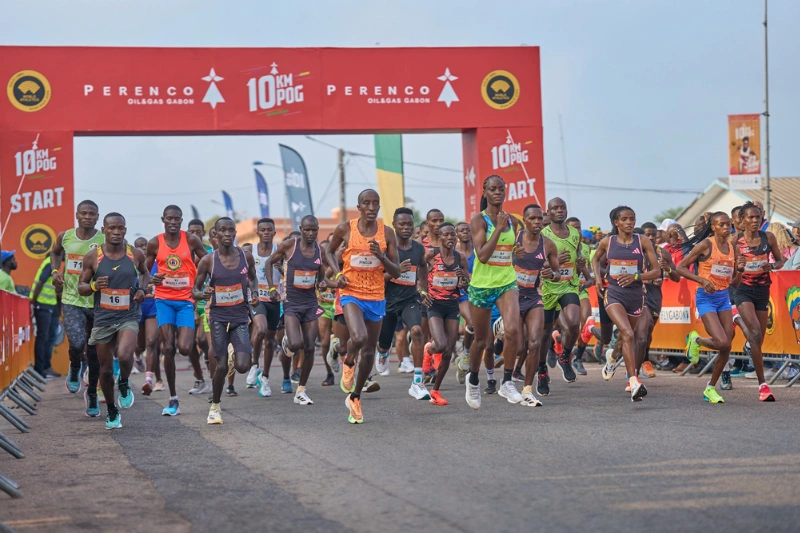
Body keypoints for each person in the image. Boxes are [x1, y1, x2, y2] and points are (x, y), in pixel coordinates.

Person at [325, 189, 401, 424]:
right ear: (358, 206)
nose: (371, 207)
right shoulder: (345, 229)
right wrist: (337, 274)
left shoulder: (386, 233)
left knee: (369, 350)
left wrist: (382, 257)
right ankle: (349, 362)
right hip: (351, 293)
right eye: (366, 203)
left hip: (376, 296)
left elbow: (396, 271)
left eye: (375, 203)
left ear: (379, 207)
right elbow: (328, 251)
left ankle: (355, 398)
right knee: (358, 338)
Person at [78, 213, 150, 429]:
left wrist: (142, 290)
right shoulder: (93, 257)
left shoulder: (135, 254)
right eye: (112, 228)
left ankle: (125, 382)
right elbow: (81, 288)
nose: (116, 232)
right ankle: (111, 409)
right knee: (106, 370)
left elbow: (145, 273)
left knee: (125, 355)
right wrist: (93, 287)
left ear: (125, 230)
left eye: (120, 228)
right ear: (104, 230)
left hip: (128, 315)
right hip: (103, 318)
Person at [464, 175, 523, 408]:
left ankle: (507, 382)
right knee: (481, 342)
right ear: (485, 192)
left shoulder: (514, 222)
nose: (497, 192)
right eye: (492, 189)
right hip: (481, 286)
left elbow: (512, 253)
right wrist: (498, 228)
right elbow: (483, 256)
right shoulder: (478, 221)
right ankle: (473, 380)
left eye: (501, 189)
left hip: (506, 282)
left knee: (512, 329)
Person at [193, 217, 258, 424]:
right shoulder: (208, 261)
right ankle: (215, 407)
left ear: (235, 233)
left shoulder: (245, 257)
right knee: (220, 367)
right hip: (219, 317)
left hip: (240, 316)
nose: (227, 234)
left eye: (231, 230)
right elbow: (195, 290)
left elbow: (253, 278)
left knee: (243, 366)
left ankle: (234, 354)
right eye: (223, 230)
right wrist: (203, 294)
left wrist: (254, 291)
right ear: (216, 235)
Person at [592, 206, 660, 401]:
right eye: (625, 219)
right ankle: (634, 382)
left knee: (624, 340)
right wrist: (598, 278)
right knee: (628, 334)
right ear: (616, 222)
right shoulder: (608, 242)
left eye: (632, 219)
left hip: (635, 296)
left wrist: (636, 276)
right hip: (614, 294)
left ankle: (612, 358)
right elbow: (596, 260)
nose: (629, 222)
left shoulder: (642, 241)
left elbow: (656, 272)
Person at [145, 205, 208, 416]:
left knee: (184, 347)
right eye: (169, 218)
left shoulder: (191, 240)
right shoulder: (155, 243)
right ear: (163, 219)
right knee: (168, 347)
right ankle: (173, 398)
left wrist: (202, 282)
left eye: (177, 219)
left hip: (185, 301)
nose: (173, 222)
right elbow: (143, 270)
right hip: (163, 300)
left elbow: (208, 261)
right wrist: (149, 280)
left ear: (181, 220)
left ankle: (195, 376)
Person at [676, 212, 743, 403]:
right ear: (713, 227)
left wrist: (740, 269)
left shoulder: (733, 248)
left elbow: (736, 283)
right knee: (722, 342)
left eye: (728, 224)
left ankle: (710, 388)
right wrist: (701, 280)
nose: (726, 227)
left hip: (723, 297)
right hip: (705, 298)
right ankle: (696, 340)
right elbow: (680, 267)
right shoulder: (705, 245)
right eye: (721, 224)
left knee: (727, 345)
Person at [266, 215, 326, 406]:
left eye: (314, 230)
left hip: (310, 303)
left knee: (309, 348)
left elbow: (321, 278)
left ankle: (301, 390)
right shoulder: (289, 246)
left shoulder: (320, 251)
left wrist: (324, 284)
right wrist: (272, 288)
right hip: (291, 302)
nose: (310, 233)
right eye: (307, 229)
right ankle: (286, 344)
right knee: (295, 344)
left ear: (317, 230)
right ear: (301, 229)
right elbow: (269, 263)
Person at [50, 200, 105, 402]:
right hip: (72, 299)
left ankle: (91, 394)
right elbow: (55, 252)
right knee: (76, 342)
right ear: (77, 215)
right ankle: (74, 367)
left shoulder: (104, 239)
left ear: (98, 217)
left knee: (94, 350)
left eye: (92, 214)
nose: (88, 217)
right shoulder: (65, 237)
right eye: (84, 213)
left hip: (97, 301)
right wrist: (55, 271)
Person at [733, 202, 785, 399]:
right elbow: (731, 274)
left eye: (758, 217)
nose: (755, 221)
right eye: (751, 218)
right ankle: (763, 386)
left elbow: (780, 261)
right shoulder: (735, 241)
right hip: (743, 290)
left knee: (758, 339)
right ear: (743, 220)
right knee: (754, 332)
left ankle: (745, 337)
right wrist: (738, 268)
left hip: (763, 290)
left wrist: (770, 266)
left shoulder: (768, 237)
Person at [376, 207, 429, 399]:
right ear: (394, 225)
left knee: (416, 331)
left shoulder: (418, 248)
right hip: (388, 301)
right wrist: (396, 271)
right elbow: (378, 278)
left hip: (409, 299)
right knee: (383, 343)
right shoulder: (387, 249)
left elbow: (423, 265)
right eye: (402, 224)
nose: (406, 227)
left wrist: (423, 289)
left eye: (409, 224)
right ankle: (382, 353)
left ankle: (417, 381)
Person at [540, 198, 592, 384]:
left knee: (573, 323)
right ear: (548, 212)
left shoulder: (574, 234)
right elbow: (537, 264)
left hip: (569, 285)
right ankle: (541, 370)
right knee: (544, 333)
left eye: (563, 208)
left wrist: (580, 265)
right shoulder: (542, 234)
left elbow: (578, 257)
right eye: (555, 208)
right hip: (548, 288)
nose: (560, 211)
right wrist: (555, 263)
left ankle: (565, 357)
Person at [514, 205, 560, 406]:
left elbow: (559, 274)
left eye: (540, 219)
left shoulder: (548, 245)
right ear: (524, 219)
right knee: (519, 347)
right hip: (512, 297)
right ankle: (501, 334)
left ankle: (527, 390)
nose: (537, 222)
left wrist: (552, 275)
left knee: (535, 342)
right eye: (532, 218)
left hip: (533, 297)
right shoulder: (514, 240)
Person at [421, 223, 469, 406]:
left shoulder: (460, 258)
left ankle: (436, 391)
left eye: (452, 235)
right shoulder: (432, 255)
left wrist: (462, 278)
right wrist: (422, 291)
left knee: (448, 352)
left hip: (452, 306)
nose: (450, 238)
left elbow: (466, 285)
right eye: (446, 235)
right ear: (439, 237)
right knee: (440, 344)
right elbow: (421, 271)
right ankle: (429, 351)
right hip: (434, 305)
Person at [636, 222, 680, 379]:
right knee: (645, 324)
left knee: (648, 332)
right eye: (647, 235)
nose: (651, 238)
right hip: (638, 294)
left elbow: (677, 277)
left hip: (655, 296)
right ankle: (644, 362)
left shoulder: (663, 253)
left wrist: (667, 269)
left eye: (653, 235)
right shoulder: (634, 253)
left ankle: (641, 358)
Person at [247, 218, 283, 397]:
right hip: (257, 299)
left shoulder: (280, 251)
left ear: (275, 233)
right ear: (258, 232)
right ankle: (254, 364)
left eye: (270, 230)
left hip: (274, 300)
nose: (267, 232)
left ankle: (266, 378)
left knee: (270, 341)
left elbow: (289, 273)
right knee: (259, 330)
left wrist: (282, 269)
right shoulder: (250, 252)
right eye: (263, 230)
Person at [133, 237, 162, 394]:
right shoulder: (133, 263)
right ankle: (137, 355)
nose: (143, 248)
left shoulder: (158, 263)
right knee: (140, 345)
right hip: (137, 308)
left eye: (145, 246)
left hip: (153, 307)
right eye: (140, 246)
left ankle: (149, 380)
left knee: (152, 342)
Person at [186, 219, 211, 396]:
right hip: (186, 301)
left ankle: (213, 374)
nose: (195, 234)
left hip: (206, 302)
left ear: (203, 233)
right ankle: (199, 378)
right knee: (187, 344)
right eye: (191, 231)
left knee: (202, 340)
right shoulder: (182, 253)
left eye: (198, 231)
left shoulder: (210, 253)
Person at [29, 253, 61, 378]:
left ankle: (46, 367)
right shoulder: (49, 263)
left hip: (50, 305)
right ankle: (39, 370)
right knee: (43, 337)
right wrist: (33, 302)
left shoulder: (54, 264)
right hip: (42, 304)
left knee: (51, 336)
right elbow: (41, 282)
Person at [455, 221, 476, 384]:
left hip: (478, 292)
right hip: (460, 294)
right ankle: (466, 353)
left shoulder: (479, 251)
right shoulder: (454, 253)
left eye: (468, 230)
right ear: (456, 234)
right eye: (461, 230)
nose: (465, 233)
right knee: (471, 323)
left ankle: (464, 361)